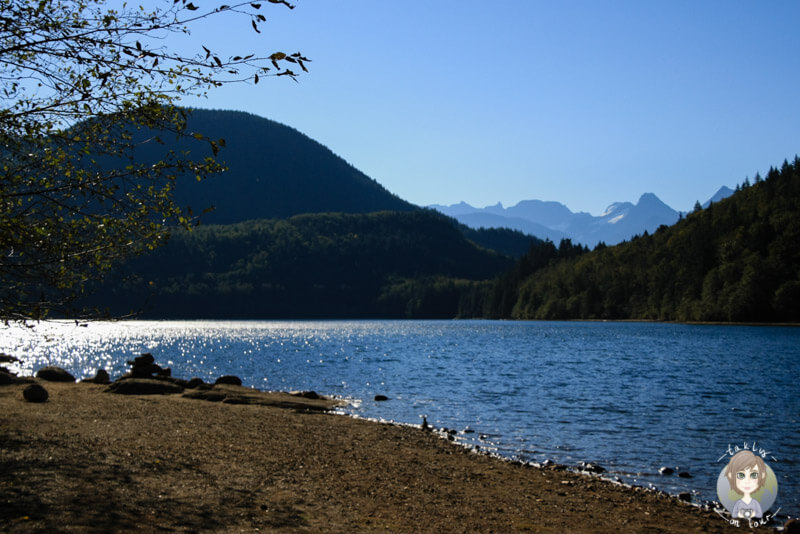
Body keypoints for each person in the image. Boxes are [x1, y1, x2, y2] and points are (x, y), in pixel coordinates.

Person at [724, 450, 767, 519]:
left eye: (754, 475)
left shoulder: (755, 503)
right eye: (741, 475)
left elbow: (759, 514)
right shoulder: (738, 503)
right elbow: (734, 515)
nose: (747, 481)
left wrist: (751, 514)